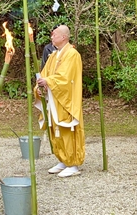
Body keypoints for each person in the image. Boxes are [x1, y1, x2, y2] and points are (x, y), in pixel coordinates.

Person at [35, 24, 85, 178]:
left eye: (54, 34)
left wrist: (48, 81)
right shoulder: (53, 55)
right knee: (55, 129)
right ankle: (63, 159)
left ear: (63, 37)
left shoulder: (72, 54)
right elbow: (44, 74)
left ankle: (73, 163)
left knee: (66, 128)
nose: (52, 37)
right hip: (54, 99)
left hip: (66, 99)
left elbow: (65, 77)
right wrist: (39, 85)